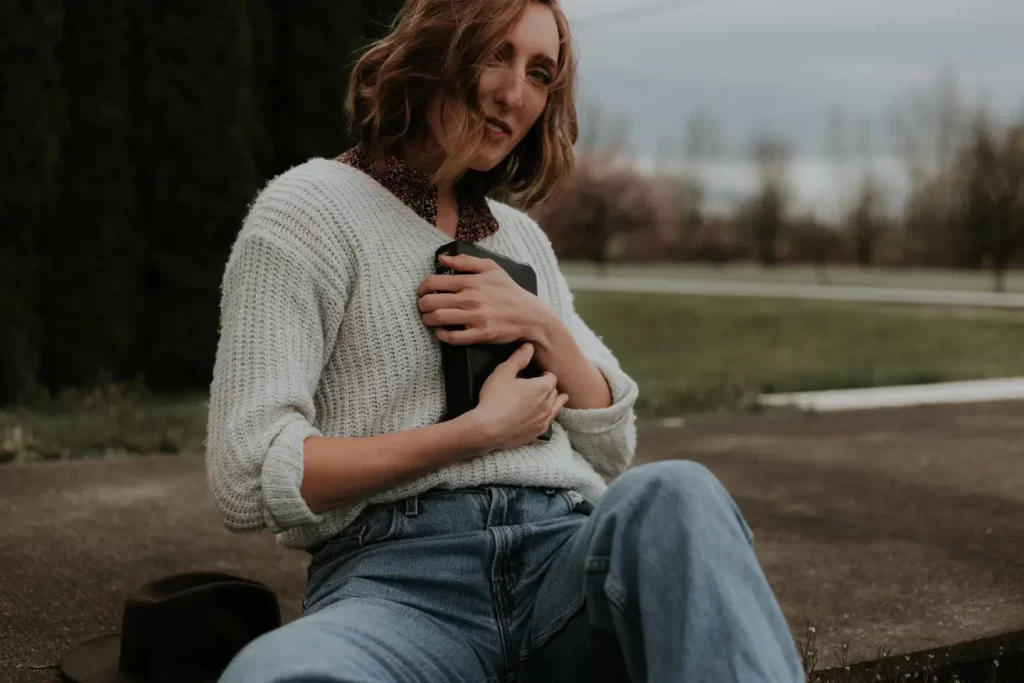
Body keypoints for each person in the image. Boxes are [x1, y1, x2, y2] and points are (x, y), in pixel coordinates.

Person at [205, 0, 805, 681]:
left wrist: (540, 322)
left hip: (564, 567)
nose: (513, 92)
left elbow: (613, 440)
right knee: (278, 672)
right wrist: (472, 433)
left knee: (680, 496)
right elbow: (246, 476)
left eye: (540, 72)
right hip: (396, 589)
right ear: (432, 49)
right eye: (495, 52)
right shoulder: (307, 211)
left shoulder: (521, 240)